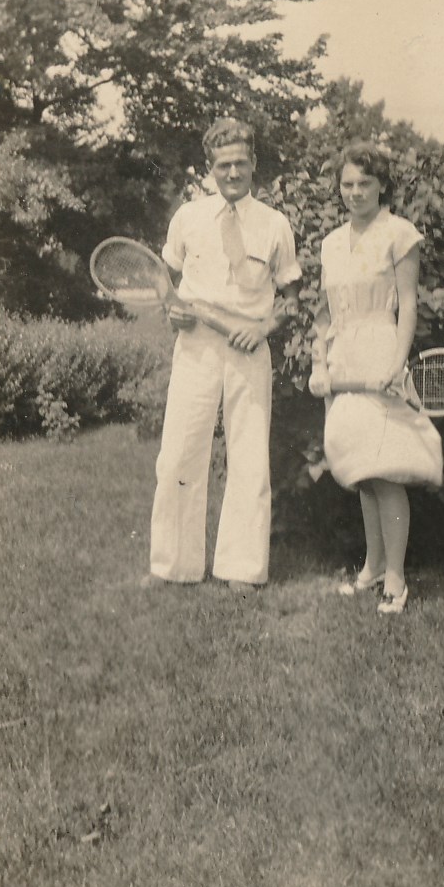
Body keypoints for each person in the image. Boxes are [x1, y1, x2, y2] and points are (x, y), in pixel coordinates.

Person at [145, 117, 301, 592]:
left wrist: (263, 327)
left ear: (254, 164)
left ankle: (242, 570)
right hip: (195, 348)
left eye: (240, 163)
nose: (232, 173)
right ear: (210, 168)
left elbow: (292, 299)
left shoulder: (275, 224)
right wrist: (172, 309)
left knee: (250, 457)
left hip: (248, 349)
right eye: (223, 165)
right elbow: (161, 275)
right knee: (177, 456)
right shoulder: (188, 217)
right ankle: (174, 567)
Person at [308, 141, 443, 614]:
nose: (355, 191)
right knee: (362, 474)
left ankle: (397, 582)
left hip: (382, 358)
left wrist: (397, 362)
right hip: (344, 361)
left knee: (385, 473)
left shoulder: (399, 234)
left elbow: (408, 304)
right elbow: (325, 313)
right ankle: (371, 569)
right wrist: (318, 363)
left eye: (365, 183)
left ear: (382, 185)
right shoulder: (329, 243)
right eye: (347, 184)